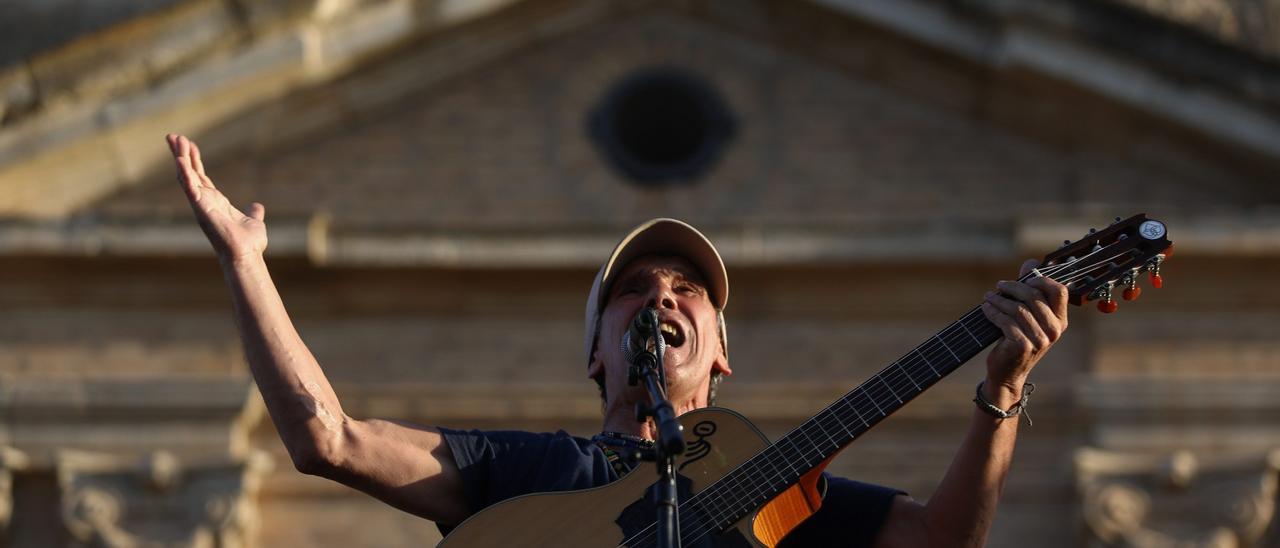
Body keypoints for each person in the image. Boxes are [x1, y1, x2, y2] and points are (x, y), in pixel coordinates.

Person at [166, 132, 1069, 546]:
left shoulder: (780, 486)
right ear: (596, 353)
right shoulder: (522, 474)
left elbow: (943, 541)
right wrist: (246, 261)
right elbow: (326, 439)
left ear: (720, 352)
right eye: (632, 291)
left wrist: (1001, 393)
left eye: (687, 292)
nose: (660, 298)